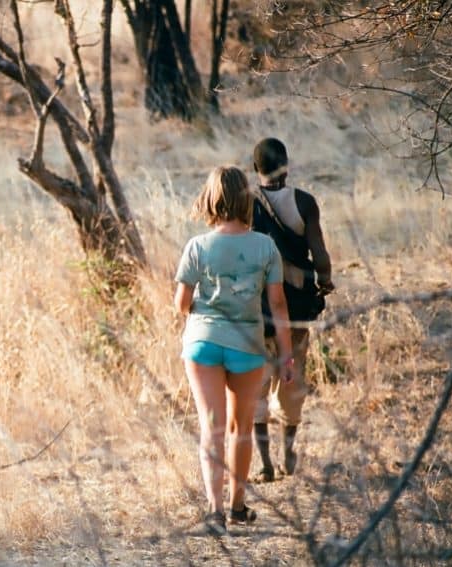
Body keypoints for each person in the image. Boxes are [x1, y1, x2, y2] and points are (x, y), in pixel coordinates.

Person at [174, 166, 294, 535]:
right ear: (246, 199)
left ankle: (214, 512)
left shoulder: (197, 246)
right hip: (247, 346)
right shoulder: (265, 246)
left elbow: (181, 302)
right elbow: (277, 305)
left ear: (210, 199)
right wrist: (286, 355)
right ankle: (238, 506)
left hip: (203, 343)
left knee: (211, 427)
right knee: (241, 428)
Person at [250, 138, 335, 483]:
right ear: (288, 165)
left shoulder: (246, 204)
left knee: (256, 384)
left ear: (255, 169)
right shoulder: (304, 202)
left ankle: (264, 463)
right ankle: (288, 452)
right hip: (296, 307)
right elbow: (320, 253)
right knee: (291, 381)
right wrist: (324, 282)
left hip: (256, 311)